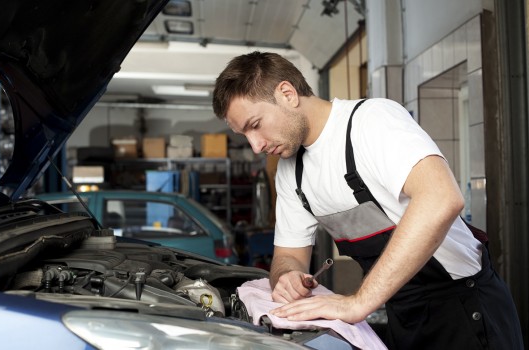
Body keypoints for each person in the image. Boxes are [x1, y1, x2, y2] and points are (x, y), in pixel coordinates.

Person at [212, 51, 524, 349]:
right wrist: (287, 277)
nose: (255, 146)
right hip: (402, 310)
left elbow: (441, 198)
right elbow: (287, 256)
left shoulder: (371, 122)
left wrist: (358, 302)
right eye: (245, 135)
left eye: (255, 125)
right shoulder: (291, 172)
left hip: (463, 309)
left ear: (287, 94)